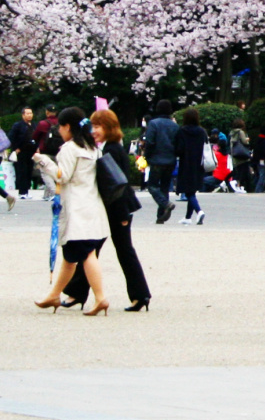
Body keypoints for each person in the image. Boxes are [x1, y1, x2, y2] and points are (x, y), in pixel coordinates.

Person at [63, 109, 151, 312]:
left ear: (109, 128)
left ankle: (78, 293)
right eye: (92, 126)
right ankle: (139, 294)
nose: (94, 130)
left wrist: (121, 215)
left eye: (98, 126)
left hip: (116, 209)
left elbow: (117, 185)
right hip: (114, 208)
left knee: (106, 251)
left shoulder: (112, 150)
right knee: (96, 251)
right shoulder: (111, 148)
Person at [33, 107, 110, 316]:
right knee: (71, 256)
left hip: (77, 209)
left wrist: (43, 161)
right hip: (92, 206)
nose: (59, 130)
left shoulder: (69, 148)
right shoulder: (92, 148)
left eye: (60, 126)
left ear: (67, 126)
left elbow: (62, 175)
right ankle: (54, 294)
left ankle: (101, 297)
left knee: (85, 254)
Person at [144, 99, 179, 223]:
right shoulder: (175, 125)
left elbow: (150, 142)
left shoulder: (153, 124)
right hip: (170, 160)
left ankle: (166, 204)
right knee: (164, 187)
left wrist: (146, 156)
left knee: (152, 186)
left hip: (156, 160)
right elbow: (177, 144)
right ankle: (161, 216)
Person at [174, 107, 207, 224]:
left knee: (188, 191)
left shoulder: (182, 131)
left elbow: (179, 149)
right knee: (192, 191)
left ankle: (199, 211)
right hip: (199, 164)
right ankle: (188, 218)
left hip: (186, 162)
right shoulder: (202, 131)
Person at [9, 107, 35, 198]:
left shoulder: (33, 125)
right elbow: (12, 137)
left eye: (31, 113)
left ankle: (27, 191)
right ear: (23, 115)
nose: (29, 115)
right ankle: (22, 192)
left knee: (29, 171)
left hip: (31, 152)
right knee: (22, 172)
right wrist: (15, 148)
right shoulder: (18, 125)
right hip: (21, 152)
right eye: (27, 113)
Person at [229, 119, 252, 192]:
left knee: (239, 172)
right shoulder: (240, 132)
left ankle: (238, 186)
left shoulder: (232, 133)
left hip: (235, 154)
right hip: (243, 156)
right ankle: (239, 186)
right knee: (245, 173)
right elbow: (244, 142)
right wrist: (248, 139)